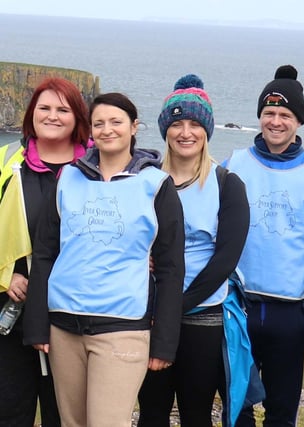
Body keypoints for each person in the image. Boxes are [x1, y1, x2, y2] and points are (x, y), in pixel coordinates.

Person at [23, 92, 186, 427]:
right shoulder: (68, 178)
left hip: (122, 328)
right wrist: (38, 323)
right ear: (90, 130)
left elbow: (170, 268)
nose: (107, 129)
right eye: (99, 123)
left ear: (133, 127)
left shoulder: (156, 185)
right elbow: (45, 254)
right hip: (63, 326)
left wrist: (165, 342)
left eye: (116, 122)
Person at [137, 74, 261, 427]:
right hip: (149, 316)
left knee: (196, 414)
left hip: (202, 317)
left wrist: (176, 308)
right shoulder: (144, 181)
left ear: (207, 131)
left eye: (194, 124)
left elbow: (225, 260)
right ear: (165, 130)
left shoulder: (226, 185)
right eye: (177, 123)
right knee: (152, 412)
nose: (185, 132)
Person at [225, 64, 304, 427]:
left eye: (285, 114)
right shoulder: (233, 167)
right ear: (259, 117)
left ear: (299, 121)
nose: (276, 121)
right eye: (269, 113)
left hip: (290, 313)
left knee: (281, 411)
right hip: (237, 308)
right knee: (236, 407)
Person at [0, 77, 92, 427]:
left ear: (77, 117)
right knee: (11, 410)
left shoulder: (97, 168)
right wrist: (6, 275)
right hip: (13, 307)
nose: (52, 116)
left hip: (76, 310)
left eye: (63, 109)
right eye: (44, 108)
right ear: (31, 113)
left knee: (66, 413)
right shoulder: (8, 162)